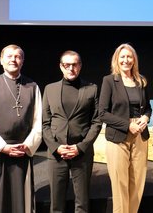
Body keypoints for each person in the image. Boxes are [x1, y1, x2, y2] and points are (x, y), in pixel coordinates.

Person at [0, 44, 42, 213]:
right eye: (9, 56)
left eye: (18, 56)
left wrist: (27, 145)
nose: (13, 59)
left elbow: (39, 121)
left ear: (23, 61)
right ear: (1, 60)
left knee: (22, 200)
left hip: (22, 150)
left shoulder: (33, 87)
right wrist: (3, 147)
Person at [42, 50, 102, 213]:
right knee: (56, 203)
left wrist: (81, 147)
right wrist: (55, 147)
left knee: (82, 203)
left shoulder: (92, 89)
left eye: (74, 64)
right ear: (61, 67)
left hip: (82, 153)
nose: (71, 68)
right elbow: (44, 123)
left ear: (80, 66)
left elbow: (96, 122)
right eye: (66, 65)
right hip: (56, 154)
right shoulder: (50, 89)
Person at [98, 43, 152, 213]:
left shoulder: (141, 80)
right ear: (117, 59)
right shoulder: (109, 81)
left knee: (137, 183)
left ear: (134, 60)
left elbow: (148, 107)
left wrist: (145, 118)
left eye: (129, 57)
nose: (126, 60)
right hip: (118, 137)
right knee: (120, 185)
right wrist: (128, 125)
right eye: (122, 57)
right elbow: (102, 113)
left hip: (140, 137)